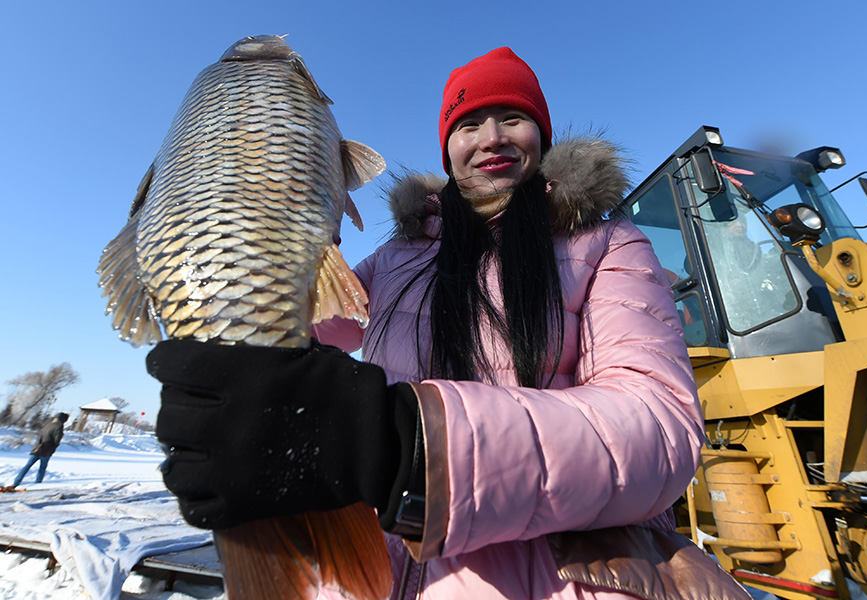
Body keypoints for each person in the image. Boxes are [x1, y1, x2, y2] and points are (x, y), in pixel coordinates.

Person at [148, 48, 749, 599]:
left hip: (556, 581)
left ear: (541, 131)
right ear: (448, 146)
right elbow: (292, 334)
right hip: (383, 573)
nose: (491, 137)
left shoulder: (608, 242)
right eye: (467, 124)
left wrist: (406, 446)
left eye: (512, 117)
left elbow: (658, 430)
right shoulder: (395, 258)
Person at [9, 412, 69, 489]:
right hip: (46, 450)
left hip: (36, 448)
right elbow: (57, 440)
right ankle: (37, 484)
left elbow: (40, 436)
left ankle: (16, 482)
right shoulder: (59, 426)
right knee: (42, 467)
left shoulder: (47, 425)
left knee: (27, 466)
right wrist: (53, 448)